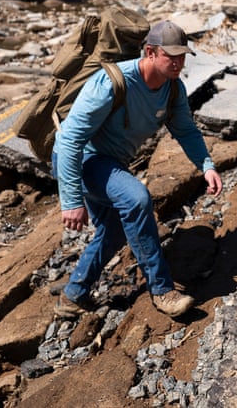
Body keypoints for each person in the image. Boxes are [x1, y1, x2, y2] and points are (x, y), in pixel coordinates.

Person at [53, 20, 223, 319]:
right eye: (171, 56)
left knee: (116, 229)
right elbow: (69, 141)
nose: (178, 63)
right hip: (82, 159)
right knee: (136, 198)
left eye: (182, 56)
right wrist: (71, 200)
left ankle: (73, 296)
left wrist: (206, 166)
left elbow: (186, 131)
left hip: (111, 163)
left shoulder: (172, 89)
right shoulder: (111, 83)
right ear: (150, 52)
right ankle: (162, 290)